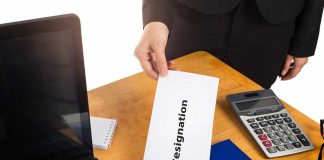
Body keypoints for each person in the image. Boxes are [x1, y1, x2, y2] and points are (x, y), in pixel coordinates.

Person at [134, 0, 324, 88]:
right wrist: (156, 17)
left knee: (246, 128)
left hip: (270, 29)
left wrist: (303, 42)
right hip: (194, 20)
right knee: (177, 116)